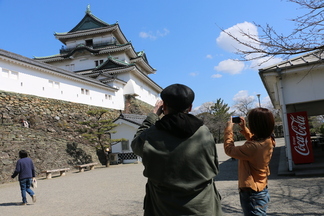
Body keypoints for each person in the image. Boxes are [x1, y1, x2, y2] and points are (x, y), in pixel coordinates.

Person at [131, 83, 222, 216]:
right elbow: (213, 164)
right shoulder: (204, 132)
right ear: (190, 107)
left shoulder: (150, 135)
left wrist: (152, 116)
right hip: (203, 207)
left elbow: (136, 145)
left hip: (163, 207)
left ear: (164, 107)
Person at [223, 108, 276, 216]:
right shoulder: (269, 140)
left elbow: (229, 150)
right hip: (261, 190)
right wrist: (244, 128)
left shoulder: (252, 147)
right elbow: (254, 139)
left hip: (252, 194)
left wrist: (229, 130)